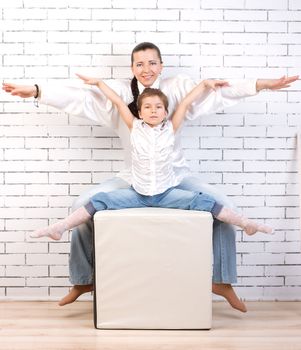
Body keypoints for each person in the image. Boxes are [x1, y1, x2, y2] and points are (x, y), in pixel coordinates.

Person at [2, 42, 298, 312]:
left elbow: (215, 93)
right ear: (132, 68)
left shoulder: (177, 89)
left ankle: (222, 281)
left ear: (161, 65)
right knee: (83, 204)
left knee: (222, 205)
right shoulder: (119, 93)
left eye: (152, 63)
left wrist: (262, 85)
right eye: (140, 64)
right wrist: (38, 91)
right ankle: (83, 280)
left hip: (176, 177)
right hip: (133, 178)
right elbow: (81, 99)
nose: (147, 69)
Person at [30, 79, 273, 242]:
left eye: (158, 107)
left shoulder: (171, 128)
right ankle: (60, 227)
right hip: (138, 194)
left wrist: (204, 85)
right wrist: (99, 84)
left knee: (206, 201)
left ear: (166, 112)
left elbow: (187, 102)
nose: (154, 111)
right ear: (140, 111)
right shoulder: (134, 126)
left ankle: (246, 223)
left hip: (166, 194)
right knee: (100, 200)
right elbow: (116, 101)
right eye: (148, 107)